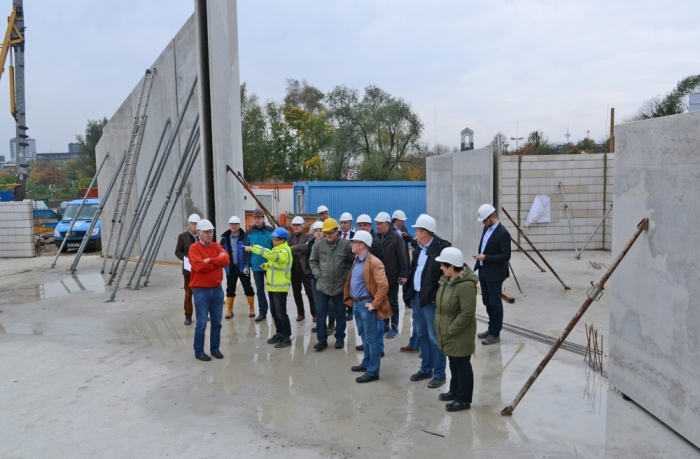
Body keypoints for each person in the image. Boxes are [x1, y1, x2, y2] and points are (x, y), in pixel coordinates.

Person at [402, 214, 451, 388]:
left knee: (434, 337)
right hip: (417, 297)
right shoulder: (419, 249)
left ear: (424, 232)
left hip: (431, 301)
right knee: (421, 334)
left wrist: (436, 296)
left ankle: (439, 373)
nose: (414, 233)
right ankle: (426, 369)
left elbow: (447, 276)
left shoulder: (441, 248)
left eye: (417, 230)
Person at [435, 247, 478, 412]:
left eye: (443, 265)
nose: (441, 268)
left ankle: (464, 399)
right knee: (453, 362)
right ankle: (454, 391)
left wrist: (451, 329)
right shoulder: (448, 280)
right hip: (449, 331)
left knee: (462, 365)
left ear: (452, 267)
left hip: (459, 333)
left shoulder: (465, 286)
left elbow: (467, 313)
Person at [344, 231, 390, 383]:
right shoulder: (357, 260)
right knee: (364, 335)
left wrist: (375, 304)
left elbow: (383, 285)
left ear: (361, 245)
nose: (351, 244)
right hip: (357, 304)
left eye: (354, 242)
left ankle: (373, 371)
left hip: (366, 304)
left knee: (372, 338)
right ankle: (367, 362)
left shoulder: (374, 262)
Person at [188, 219, 229, 361]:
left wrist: (210, 260)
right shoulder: (194, 248)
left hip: (217, 290)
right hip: (201, 291)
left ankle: (215, 348)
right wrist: (217, 261)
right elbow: (199, 266)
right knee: (201, 323)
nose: (209, 234)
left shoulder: (217, 246)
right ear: (199, 233)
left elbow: (226, 260)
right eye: (206, 232)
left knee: (217, 322)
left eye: (210, 231)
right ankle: (199, 351)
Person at [246, 227, 293, 348]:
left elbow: (273, 256)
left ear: (283, 240)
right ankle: (280, 333)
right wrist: (266, 265)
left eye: (276, 239)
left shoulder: (285, 251)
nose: (273, 241)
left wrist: (254, 248)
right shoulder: (277, 249)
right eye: (273, 239)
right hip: (272, 287)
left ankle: (287, 337)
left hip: (280, 288)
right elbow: (275, 262)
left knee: (281, 313)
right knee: (274, 312)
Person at [309, 217, 352, 351]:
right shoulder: (318, 245)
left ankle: (340, 338)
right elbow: (313, 261)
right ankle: (322, 340)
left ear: (336, 231)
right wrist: (318, 275)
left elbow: (350, 263)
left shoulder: (346, 245)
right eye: (326, 233)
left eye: (330, 233)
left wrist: (344, 276)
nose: (328, 235)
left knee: (340, 314)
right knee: (321, 313)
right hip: (322, 286)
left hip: (339, 286)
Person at [474, 204, 511, 345]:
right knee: (487, 301)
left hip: (495, 274)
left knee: (495, 304)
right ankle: (491, 328)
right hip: (483, 270)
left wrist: (486, 258)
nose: (483, 222)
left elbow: (506, 256)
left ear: (492, 216)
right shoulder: (486, 228)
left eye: (485, 220)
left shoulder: (503, 233)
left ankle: (495, 333)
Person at [375, 212, 408, 339]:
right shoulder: (377, 237)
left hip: (392, 276)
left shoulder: (395, 237)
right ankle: (385, 326)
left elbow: (402, 257)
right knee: (383, 301)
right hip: (380, 277)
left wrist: (403, 274)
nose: (377, 226)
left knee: (393, 303)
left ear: (387, 224)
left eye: (379, 224)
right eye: (376, 224)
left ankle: (394, 327)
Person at [219, 216, 256, 319]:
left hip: (243, 267)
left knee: (247, 287)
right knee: (230, 289)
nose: (233, 226)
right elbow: (220, 251)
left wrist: (247, 265)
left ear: (239, 225)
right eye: (232, 224)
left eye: (235, 224)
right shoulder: (225, 238)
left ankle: (252, 309)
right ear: (229, 225)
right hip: (231, 267)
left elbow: (249, 251)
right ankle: (229, 311)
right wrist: (224, 265)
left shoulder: (245, 237)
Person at [245, 209, 273, 322]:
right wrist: (246, 266)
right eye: (255, 218)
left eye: (259, 218)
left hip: (269, 265)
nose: (257, 220)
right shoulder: (249, 233)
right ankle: (262, 312)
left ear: (263, 218)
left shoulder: (271, 231)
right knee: (260, 290)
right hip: (256, 266)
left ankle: (275, 312)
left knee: (272, 290)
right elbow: (246, 251)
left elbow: (275, 247)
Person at [289, 216, 315, 321]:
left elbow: (309, 247)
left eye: (298, 225)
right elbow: (288, 250)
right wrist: (302, 248)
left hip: (305, 269)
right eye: (294, 225)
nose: (296, 227)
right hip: (294, 269)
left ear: (303, 226)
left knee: (310, 292)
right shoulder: (289, 238)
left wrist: (295, 247)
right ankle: (300, 313)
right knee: (296, 293)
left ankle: (314, 314)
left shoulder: (309, 236)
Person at [175, 213, 200, 325]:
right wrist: (187, 259)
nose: (195, 226)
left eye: (196, 224)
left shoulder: (201, 236)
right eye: (193, 224)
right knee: (188, 294)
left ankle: (202, 314)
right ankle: (188, 315)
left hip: (200, 270)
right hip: (188, 270)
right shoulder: (182, 237)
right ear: (189, 224)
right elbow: (178, 251)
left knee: (201, 294)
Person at [305, 221, 324, 324]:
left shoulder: (327, 243)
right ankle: (319, 320)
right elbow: (307, 257)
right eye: (316, 231)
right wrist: (310, 270)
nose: (318, 233)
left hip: (325, 277)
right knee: (316, 300)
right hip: (314, 276)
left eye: (320, 231)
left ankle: (330, 322)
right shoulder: (311, 243)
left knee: (329, 301)